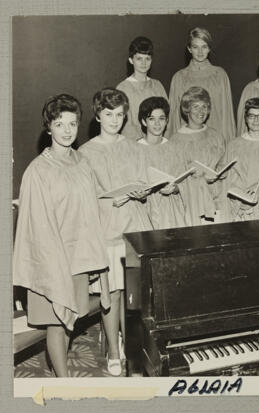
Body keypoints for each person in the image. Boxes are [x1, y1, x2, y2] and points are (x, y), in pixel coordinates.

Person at [13, 94, 110, 377]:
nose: (67, 131)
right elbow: (36, 226)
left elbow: (91, 210)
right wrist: (55, 265)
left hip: (78, 257)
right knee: (57, 322)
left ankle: (59, 373)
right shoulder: (38, 171)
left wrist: (92, 255)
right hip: (52, 259)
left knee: (71, 320)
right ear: (49, 128)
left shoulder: (82, 162)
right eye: (60, 124)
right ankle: (65, 383)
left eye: (72, 124)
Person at [79, 88, 153, 376]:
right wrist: (110, 198)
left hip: (134, 226)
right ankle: (113, 348)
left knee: (134, 293)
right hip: (106, 227)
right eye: (108, 114)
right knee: (112, 292)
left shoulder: (135, 147)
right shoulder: (85, 153)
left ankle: (133, 349)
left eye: (119, 115)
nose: (114, 120)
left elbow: (145, 186)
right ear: (98, 115)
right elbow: (85, 196)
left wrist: (142, 190)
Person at [167, 27, 235, 142]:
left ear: (209, 48)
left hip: (215, 140)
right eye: (195, 47)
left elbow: (227, 115)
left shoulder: (220, 75)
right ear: (189, 49)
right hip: (188, 140)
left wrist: (226, 143)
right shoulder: (179, 78)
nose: (200, 52)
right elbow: (174, 118)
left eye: (204, 47)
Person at [169, 86, 225, 225]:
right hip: (191, 202)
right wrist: (198, 180)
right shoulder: (176, 140)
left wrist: (220, 173)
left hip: (216, 199)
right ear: (187, 109)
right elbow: (175, 179)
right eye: (196, 107)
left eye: (204, 107)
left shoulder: (216, 135)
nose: (201, 111)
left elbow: (223, 164)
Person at [221, 97, 259, 221]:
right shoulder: (233, 145)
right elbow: (225, 178)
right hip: (238, 209)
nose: (256, 120)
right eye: (252, 116)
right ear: (246, 118)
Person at [136, 96, 189, 229]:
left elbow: (185, 182)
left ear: (167, 121)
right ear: (143, 121)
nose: (157, 124)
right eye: (151, 119)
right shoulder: (134, 149)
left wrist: (176, 188)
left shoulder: (175, 149)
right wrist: (140, 194)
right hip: (144, 211)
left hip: (171, 212)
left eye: (161, 119)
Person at [116, 36, 168, 140]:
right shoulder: (123, 88)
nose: (144, 63)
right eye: (139, 58)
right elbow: (124, 124)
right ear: (131, 60)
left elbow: (166, 117)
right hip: (134, 143)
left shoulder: (157, 85)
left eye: (147, 58)